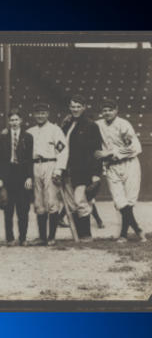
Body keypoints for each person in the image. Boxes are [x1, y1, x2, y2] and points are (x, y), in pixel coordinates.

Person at [94, 99, 146, 243]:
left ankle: (123, 234)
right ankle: (137, 229)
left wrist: (110, 153)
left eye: (110, 109)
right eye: (104, 110)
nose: (107, 112)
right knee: (119, 201)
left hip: (129, 163)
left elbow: (136, 147)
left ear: (116, 110)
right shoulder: (98, 124)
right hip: (111, 166)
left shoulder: (124, 124)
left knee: (130, 200)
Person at [57, 95, 103, 242]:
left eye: (78, 106)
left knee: (80, 201)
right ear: (69, 108)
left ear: (84, 107)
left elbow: (97, 151)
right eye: (73, 106)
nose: (75, 109)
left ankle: (86, 235)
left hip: (83, 171)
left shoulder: (91, 125)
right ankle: (78, 236)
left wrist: (96, 174)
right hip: (67, 170)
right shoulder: (67, 124)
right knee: (71, 205)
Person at [26, 103, 68, 246]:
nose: (40, 116)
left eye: (43, 113)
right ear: (34, 115)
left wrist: (59, 170)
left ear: (47, 114)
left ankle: (51, 237)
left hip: (50, 164)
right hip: (35, 165)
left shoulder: (55, 130)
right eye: (38, 113)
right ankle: (42, 237)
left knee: (51, 201)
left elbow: (62, 151)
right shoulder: (30, 131)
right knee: (39, 202)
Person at [0, 109, 34, 246]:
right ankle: (10, 238)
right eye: (11, 120)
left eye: (16, 120)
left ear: (21, 121)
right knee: (8, 209)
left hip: (22, 175)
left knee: (23, 209)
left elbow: (30, 159)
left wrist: (29, 177)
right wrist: (0, 178)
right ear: (8, 122)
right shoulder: (2, 137)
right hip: (8, 175)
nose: (14, 122)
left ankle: (22, 238)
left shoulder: (28, 137)